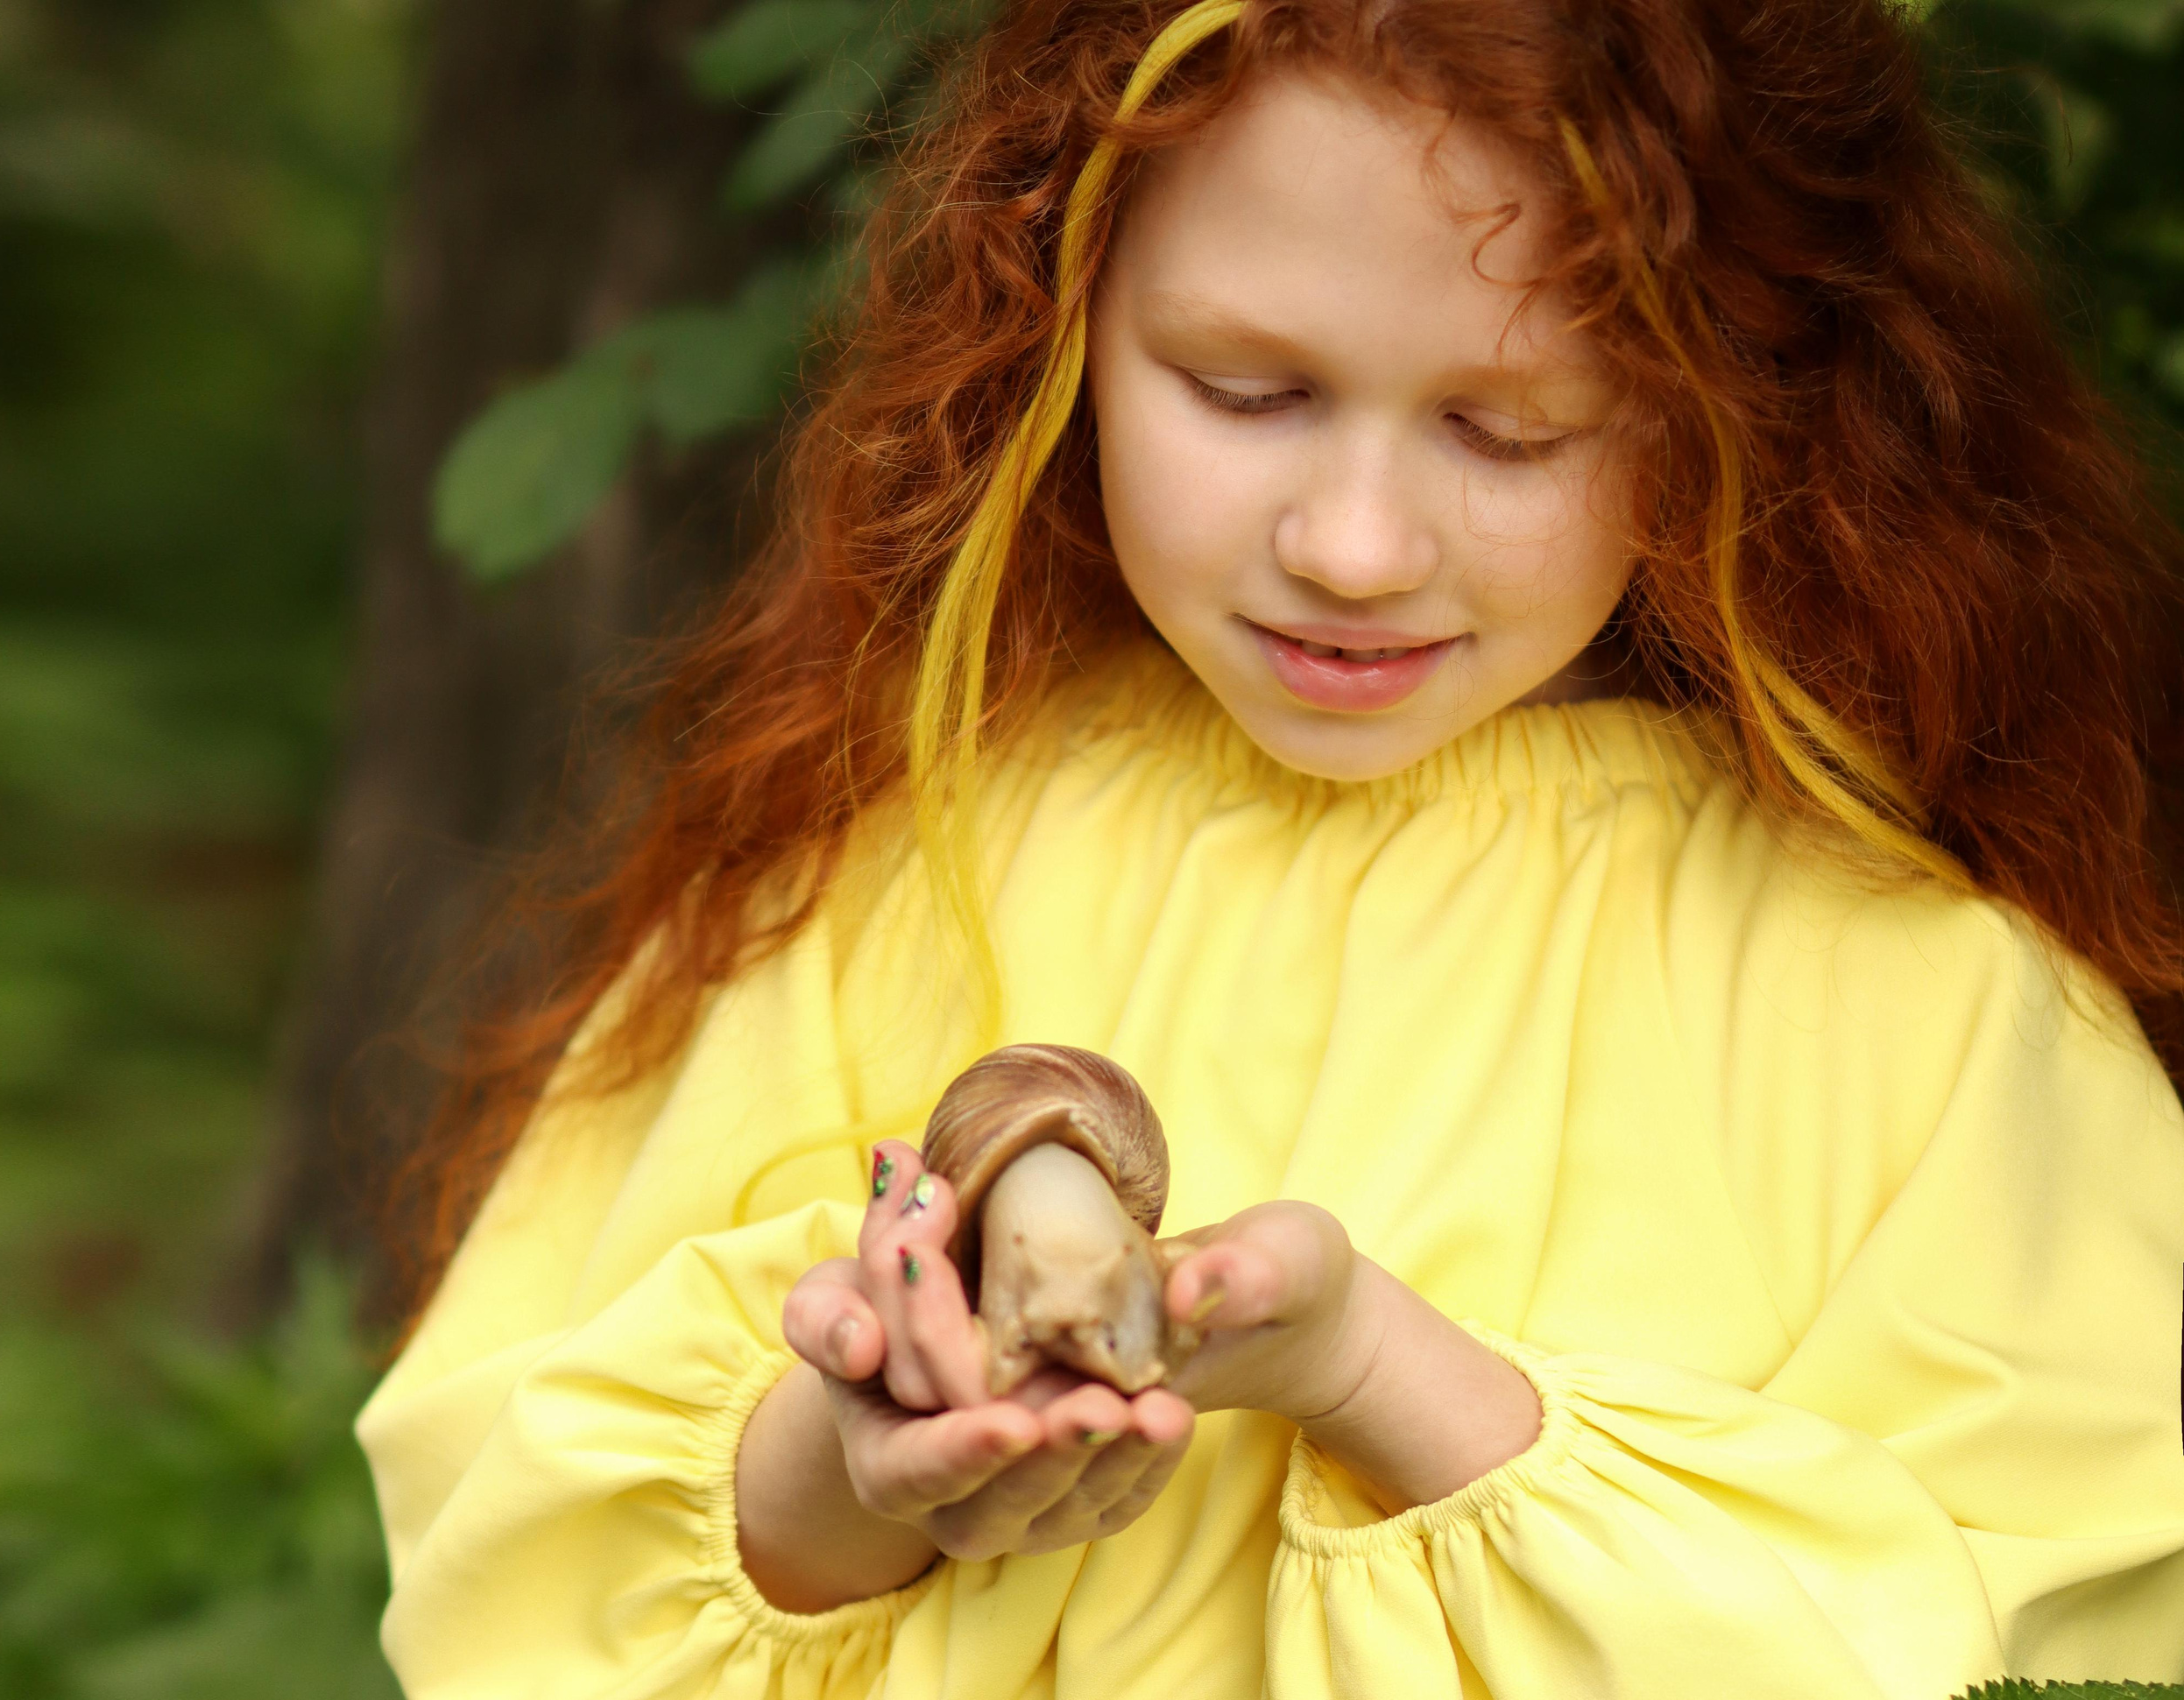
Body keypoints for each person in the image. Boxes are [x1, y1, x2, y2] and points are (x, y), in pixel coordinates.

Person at [355, 0, 2184, 1693]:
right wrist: (856, 1467)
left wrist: (1370, 1372)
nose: (1354, 542)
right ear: (1057, 316)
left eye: (1502, 425)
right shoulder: (902, 868)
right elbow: (510, 1563)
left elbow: (2019, 1643)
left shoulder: (1922, 1012)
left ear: (1731, 410)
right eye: (1245, 391)